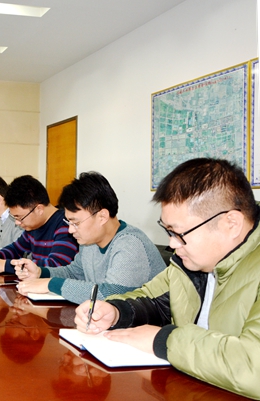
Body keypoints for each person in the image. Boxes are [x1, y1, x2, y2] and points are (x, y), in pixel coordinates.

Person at [74, 158, 260, 399]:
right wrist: (116, 311)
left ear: (231, 224)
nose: (172, 244)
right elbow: (152, 299)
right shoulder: (188, 264)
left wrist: (164, 340)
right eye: (168, 231)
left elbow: (253, 367)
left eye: (179, 233)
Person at [15, 172, 166, 304]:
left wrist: (50, 284)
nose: (70, 230)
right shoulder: (90, 243)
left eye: (76, 223)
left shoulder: (130, 244)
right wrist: (41, 273)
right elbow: (74, 273)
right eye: (69, 223)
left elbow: (110, 294)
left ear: (102, 217)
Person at [0, 175, 78, 274]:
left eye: (19, 217)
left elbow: (56, 265)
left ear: (39, 209)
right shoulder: (34, 226)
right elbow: (16, 249)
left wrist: (5, 265)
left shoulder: (66, 225)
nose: (17, 222)